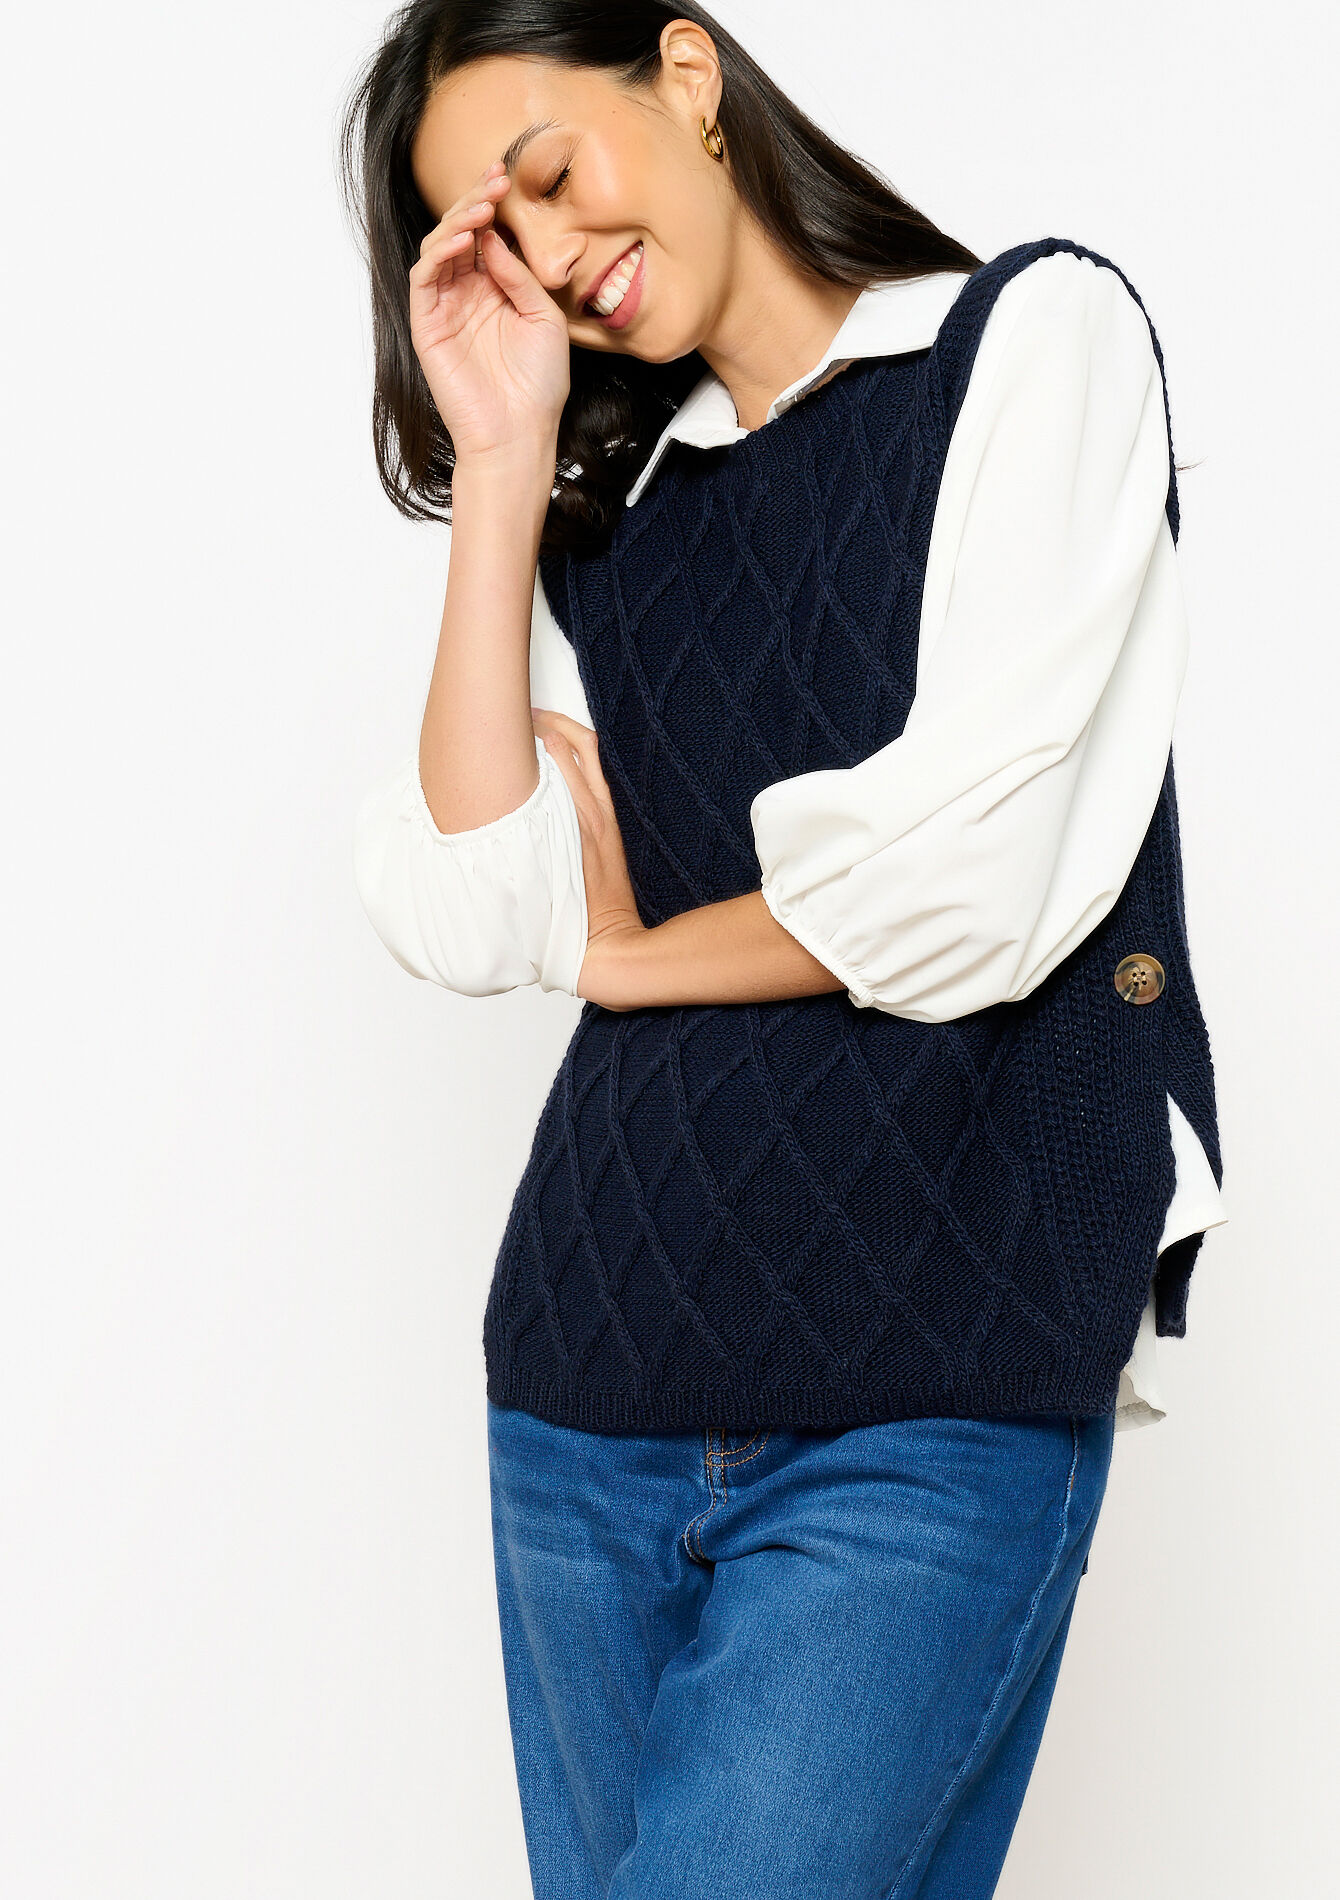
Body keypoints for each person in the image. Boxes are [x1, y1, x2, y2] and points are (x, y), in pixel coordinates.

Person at [340, 4, 1228, 1894]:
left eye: (548, 172)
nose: (551, 252)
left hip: (938, 1373)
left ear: (686, 76)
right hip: (589, 1378)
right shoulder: (606, 511)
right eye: (499, 236)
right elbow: (472, 906)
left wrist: (636, 957)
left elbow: (972, 873)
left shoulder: (1032, 344)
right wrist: (498, 465)